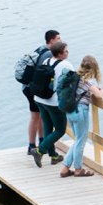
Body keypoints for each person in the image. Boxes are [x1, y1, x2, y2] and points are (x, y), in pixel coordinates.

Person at [61, 55, 103, 177]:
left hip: (70, 111)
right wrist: (102, 91)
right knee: (81, 140)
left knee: (77, 140)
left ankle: (65, 168)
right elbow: (99, 95)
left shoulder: (74, 77)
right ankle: (78, 169)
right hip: (81, 111)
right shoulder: (87, 81)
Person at [32, 38, 72, 166]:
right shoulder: (66, 65)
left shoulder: (46, 60)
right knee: (60, 130)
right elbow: (74, 82)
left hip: (39, 99)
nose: (67, 53)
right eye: (65, 51)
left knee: (48, 127)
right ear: (60, 54)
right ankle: (39, 150)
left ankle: (53, 156)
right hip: (53, 102)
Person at [23, 29, 60, 156]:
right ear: (51, 40)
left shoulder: (40, 49)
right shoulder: (49, 54)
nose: (60, 41)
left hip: (29, 87)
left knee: (39, 115)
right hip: (33, 89)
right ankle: (32, 146)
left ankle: (40, 141)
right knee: (36, 116)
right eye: (58, 39)